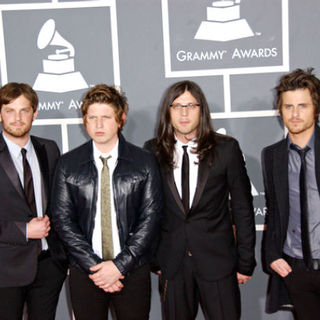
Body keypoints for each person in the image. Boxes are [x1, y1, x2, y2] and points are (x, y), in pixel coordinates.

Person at [144, 80, 256, 320]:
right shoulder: (152, 151)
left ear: (201, 110)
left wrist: (245, 260)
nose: (184, 113)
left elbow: (242, 208)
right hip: (172, 266)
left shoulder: (226, 149)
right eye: (177, 106)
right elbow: (149, 210)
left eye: (191, 106)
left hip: (218, 262)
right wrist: (155, 257)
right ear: (168, 111)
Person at [51, 84, 162, 320]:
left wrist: (119, 266)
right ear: (84, 120)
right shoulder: (67, 164)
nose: (98, 125)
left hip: (132, 270)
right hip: (86, 271)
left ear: (121, 119)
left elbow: (150, 218)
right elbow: (63, 220)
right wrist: (96, 267)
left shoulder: (144, 162)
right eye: (92, 117)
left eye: (106, 117)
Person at [0, 82, 67, 320]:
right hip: (6, 268)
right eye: (10, 110)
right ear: (0, 113)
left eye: (24, 110)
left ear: (35, 113)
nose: (17, 118)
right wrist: (24, 230)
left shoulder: (49, 149)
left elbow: (60, 205)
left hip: (48, 265)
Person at [262, 68, 320, 320]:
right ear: (280, 111)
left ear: (316, 109)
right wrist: (271, 254)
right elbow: (274, 209)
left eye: (303, 106)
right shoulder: (272, 155)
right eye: (288, 107)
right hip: (296, 269)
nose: (295, 114)